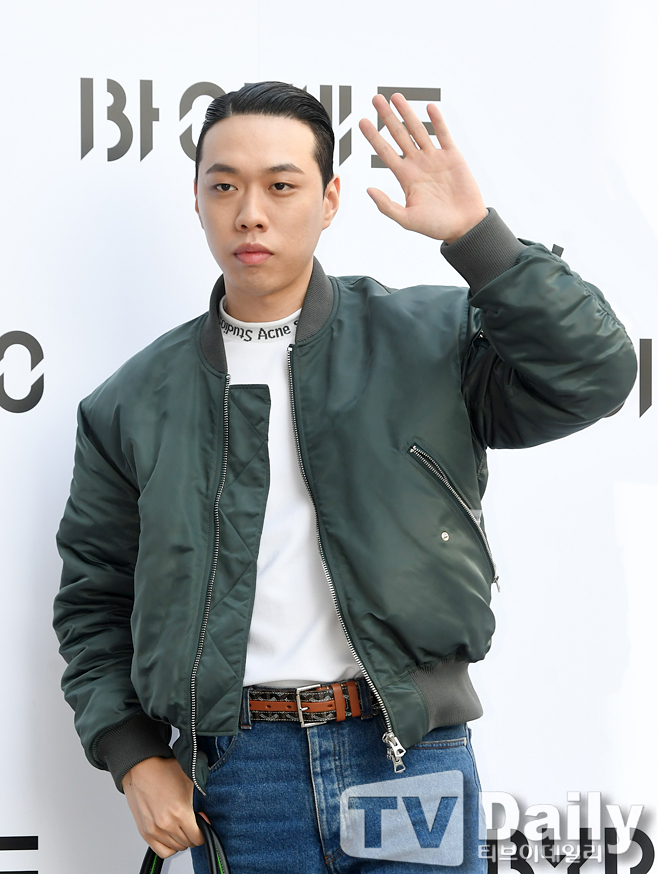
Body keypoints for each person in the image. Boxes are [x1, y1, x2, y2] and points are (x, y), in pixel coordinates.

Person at [52, 81, 637, 874]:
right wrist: (134, 754)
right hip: (239, 777)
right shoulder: (131, 402)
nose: (249, 213)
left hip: (407, 760)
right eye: (223, 187)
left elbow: (595, 374)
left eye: (280, 185)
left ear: (329, 200)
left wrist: (478, 238)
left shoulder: (428, 339)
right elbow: (94, 601)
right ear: (197, 202)